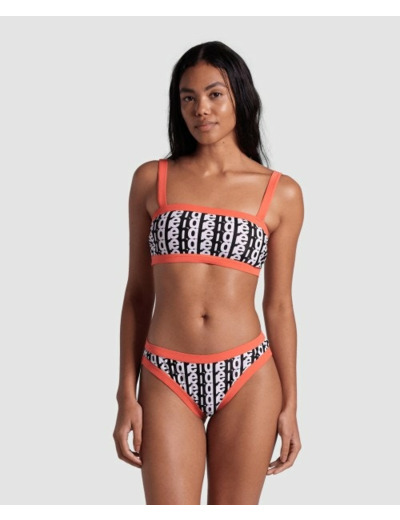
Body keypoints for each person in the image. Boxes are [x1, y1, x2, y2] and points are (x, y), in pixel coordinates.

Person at [113, 40, 304, 505]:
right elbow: (137, 294)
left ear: (241, 97)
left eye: (215, 94)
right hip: (165, 373)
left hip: (249, 374)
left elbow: (279, 304)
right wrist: (125, 394)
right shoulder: (151, 179)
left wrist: (291, 404)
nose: (201, 109)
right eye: (188, 97)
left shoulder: (280, 193)